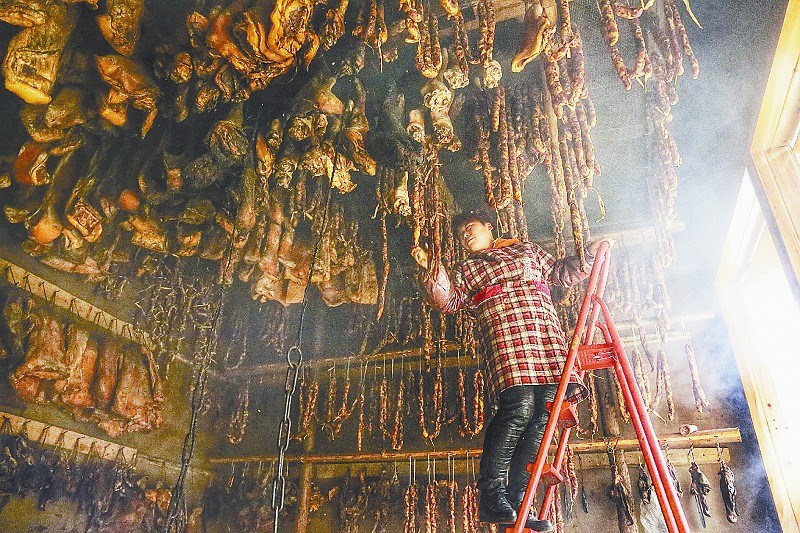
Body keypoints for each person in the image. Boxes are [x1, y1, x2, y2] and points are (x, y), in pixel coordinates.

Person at [411, 209, 612, 532]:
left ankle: (519, 504)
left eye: (470, 228)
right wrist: (430, 268)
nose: (466, 235)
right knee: (519, 407)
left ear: (489, 227)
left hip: (544, 335)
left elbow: (561, 273)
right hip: (505, 334)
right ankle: (492, 497)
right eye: (460, 234)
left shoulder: (527, 250)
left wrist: (589, 253)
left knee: (544, 414)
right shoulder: (465, 269)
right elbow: (448, 301)